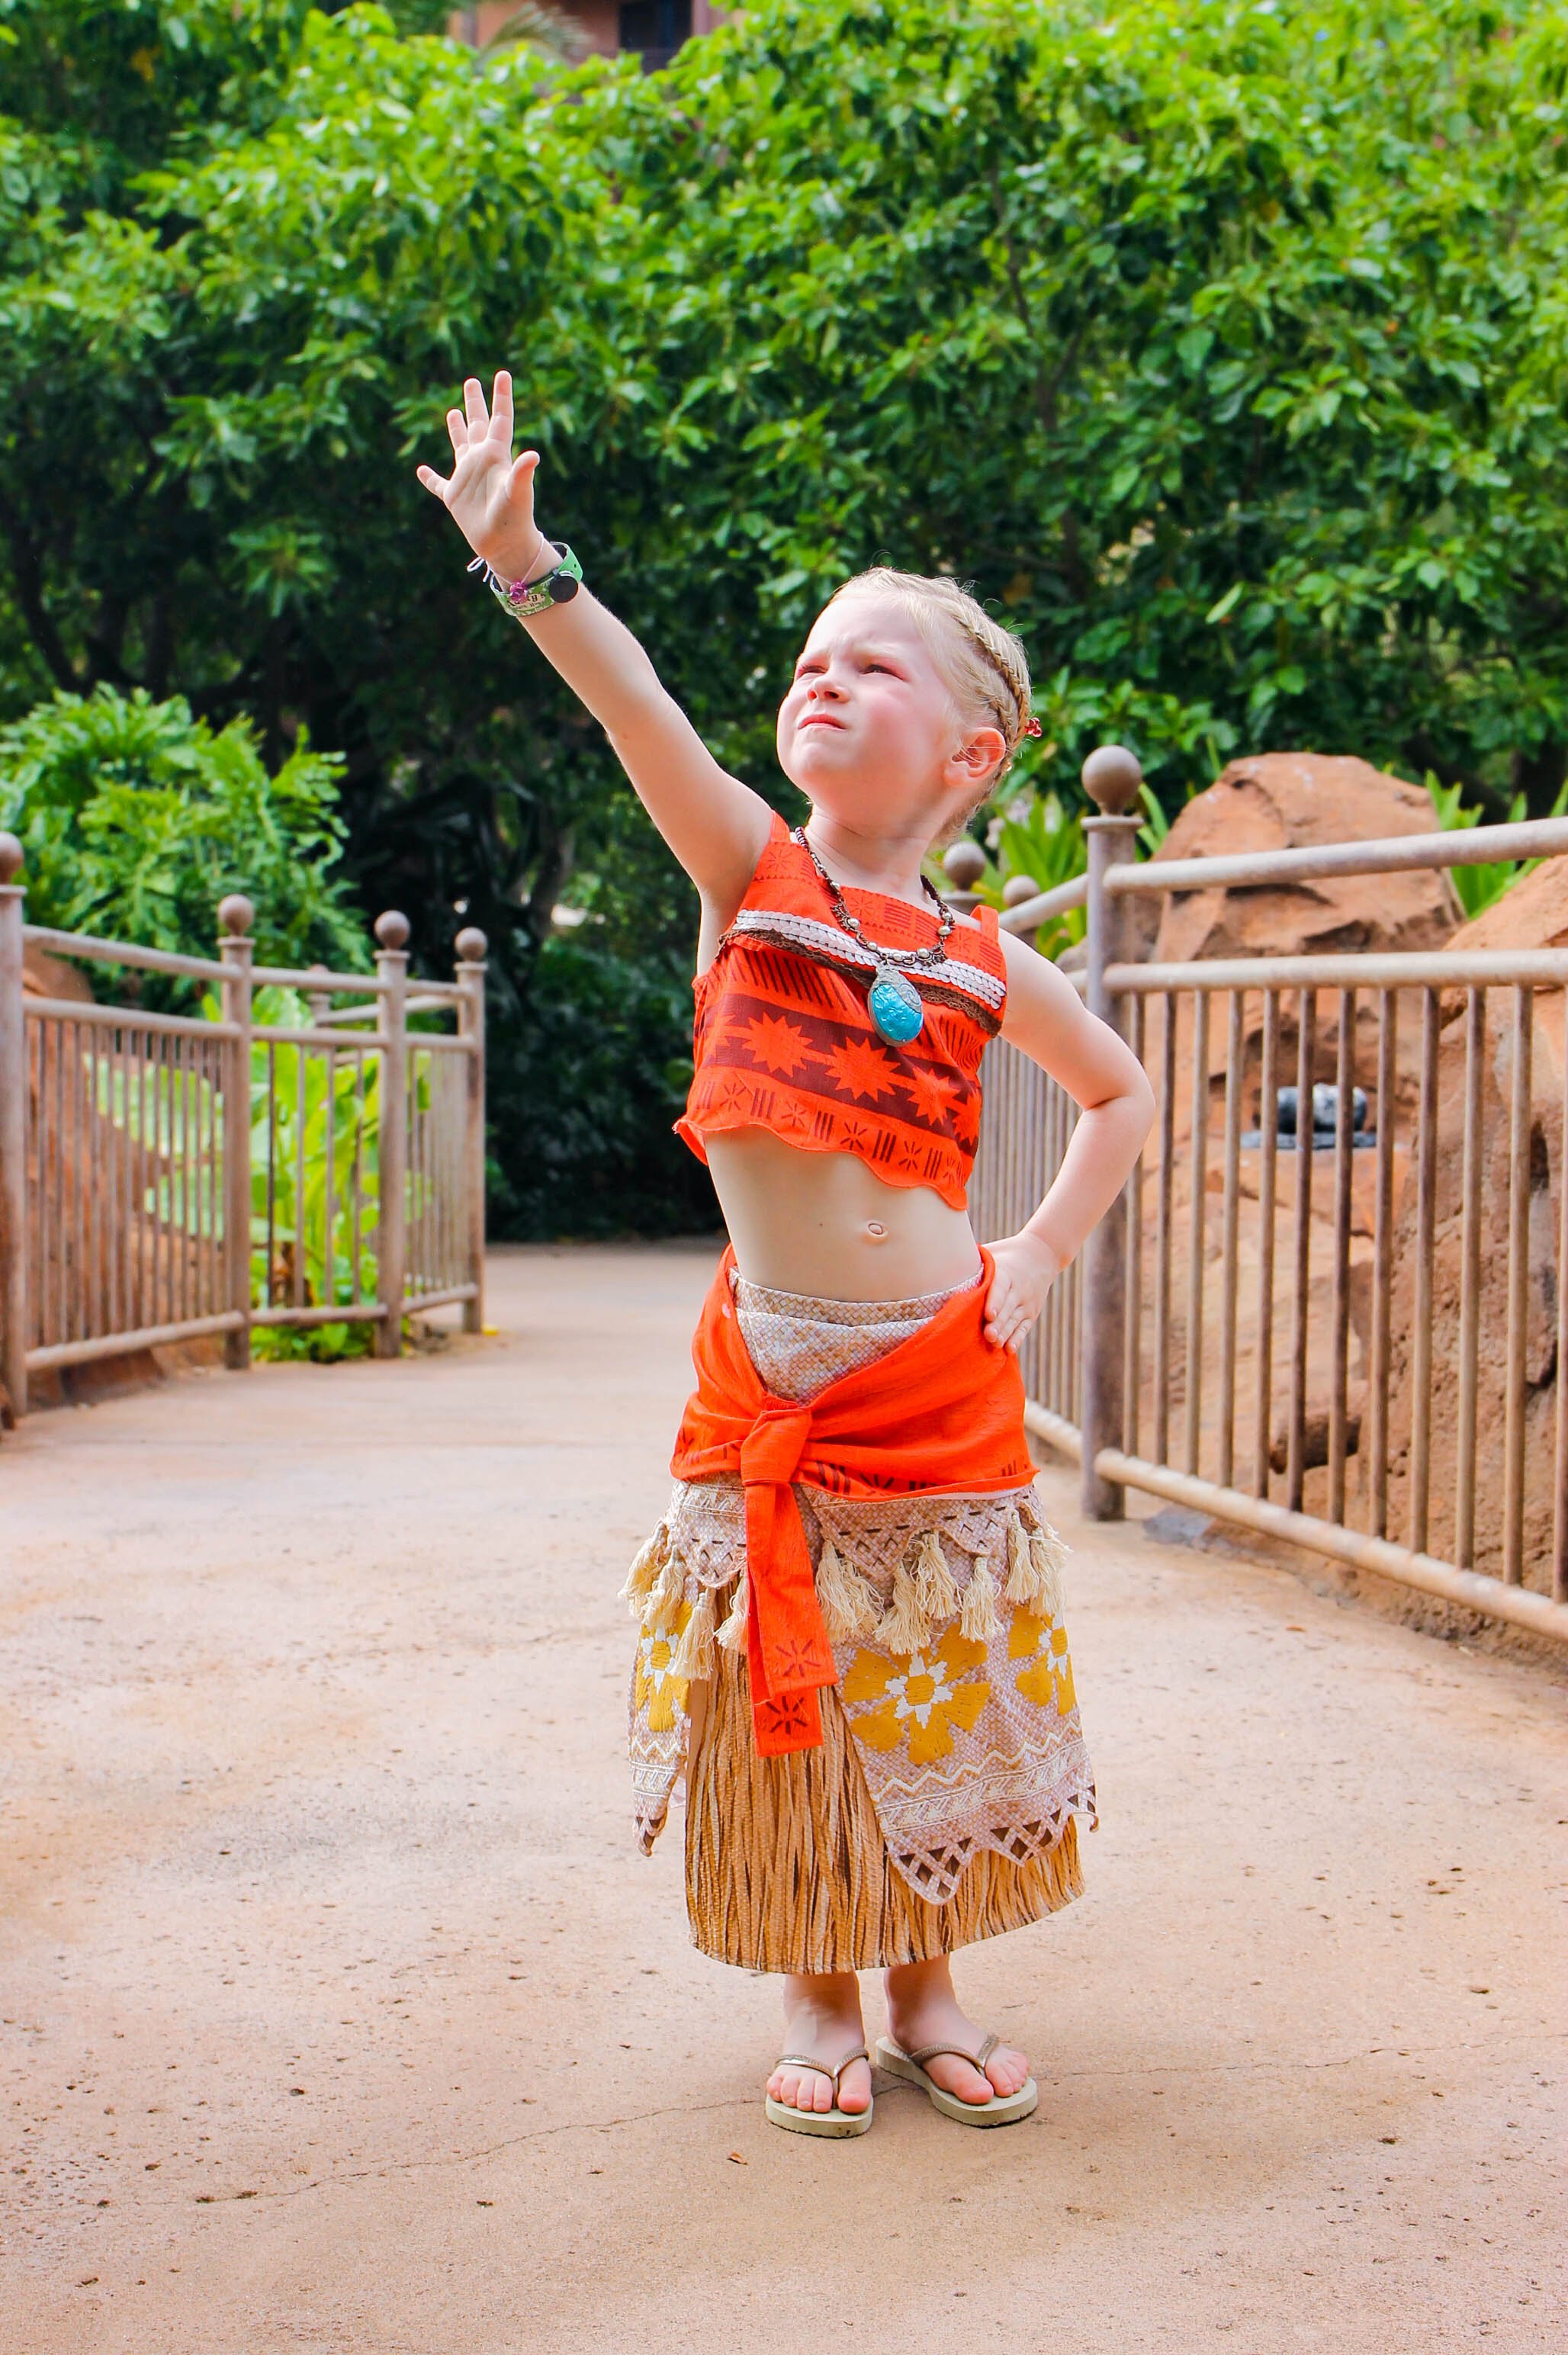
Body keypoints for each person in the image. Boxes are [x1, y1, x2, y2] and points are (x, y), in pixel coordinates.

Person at [419, 373, 1155, 2137]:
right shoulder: (746, 872)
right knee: (798, 1685)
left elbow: (1120, 1092)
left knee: (938, 1683)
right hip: (780, 1368)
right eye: (814, 655)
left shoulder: (983, 955)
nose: (825, 671)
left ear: (974, 753)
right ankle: (815, 1979)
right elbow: (635, 705)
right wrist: (528, 564)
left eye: (875, 662)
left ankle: (929, 1979)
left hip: (940, 1377)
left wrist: (1035, 1255)